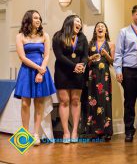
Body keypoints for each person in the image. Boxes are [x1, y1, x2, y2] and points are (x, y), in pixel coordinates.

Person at [14, 10, 56, 145]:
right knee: (25, 104)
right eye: (35, 18)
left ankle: (36, 134)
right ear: (29, 20)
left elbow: (47, 55)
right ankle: (25, 135)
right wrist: (37, 68)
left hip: (41, 72)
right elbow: (22, 57)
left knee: (39, 103)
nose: (38, 20)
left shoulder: (45, 35)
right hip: (27, 71)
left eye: (39, 18)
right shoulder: (20, 36)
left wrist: (41, 71)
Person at [113, 5, 137, 142]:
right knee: (129, 103)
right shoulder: (124, 32)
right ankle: (129, 131)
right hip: (129, 71)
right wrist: (118, 70)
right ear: (133, 16)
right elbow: (118, 53)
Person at [52, 15, 88, 143]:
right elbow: (59, 56)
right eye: (77, 21)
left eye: (80, 22)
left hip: (78, 73)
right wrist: (74, 66)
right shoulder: (58, 36)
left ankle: (74, 132)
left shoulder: (82, 38)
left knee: (76, 100)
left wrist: (82, 65)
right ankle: (66, 132)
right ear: (69, 22)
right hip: (62, 72)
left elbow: (85, 55)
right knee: (64, 101)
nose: (79, 24)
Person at [81, 22, 115, 141]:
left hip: (104, 76)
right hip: (92, 75)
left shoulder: (110, 44)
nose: (100, 28)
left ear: (106, 30)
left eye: (102, 26)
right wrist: (91, 58)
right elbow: (86, 60)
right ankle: (93, 131)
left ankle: (106, 131)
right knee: (92, 101)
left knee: (104, 101)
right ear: (95, 30)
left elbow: (112, 62)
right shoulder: (90, 44)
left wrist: (106, 54)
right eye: (98, 26)